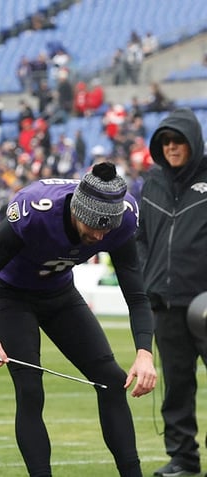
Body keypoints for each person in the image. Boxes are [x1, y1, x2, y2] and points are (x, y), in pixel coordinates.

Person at [0, 162, 157, 477]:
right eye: (92, 225)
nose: (98, 235)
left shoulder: (121, 222)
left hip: (59, 293)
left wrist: (144, 352)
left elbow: (136, 295)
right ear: (76, 210)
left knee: (111, 379)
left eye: (105, 228)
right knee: (30, 391)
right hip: (11, 296)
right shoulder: (36, 209)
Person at [137, 108, 207, 477]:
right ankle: (184, 457)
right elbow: (141, 239)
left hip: (205, 301)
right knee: (176, 387)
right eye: (164, 141)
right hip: (166, 303)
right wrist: (148, 280)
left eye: (178, 140)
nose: (171, 147)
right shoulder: (153, 182)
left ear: (193, 142)